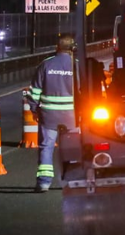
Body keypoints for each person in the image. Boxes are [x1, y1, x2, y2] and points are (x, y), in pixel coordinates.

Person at [27, 34, 76, 192]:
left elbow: (34, 91)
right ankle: (72, 181)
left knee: (46, 147)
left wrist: (34, 109)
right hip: (72, 117)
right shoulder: (77, 65)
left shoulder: (45, 65)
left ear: (57, 47)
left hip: (49, 116)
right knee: (73, 147)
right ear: (72, 49)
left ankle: (44, 183)